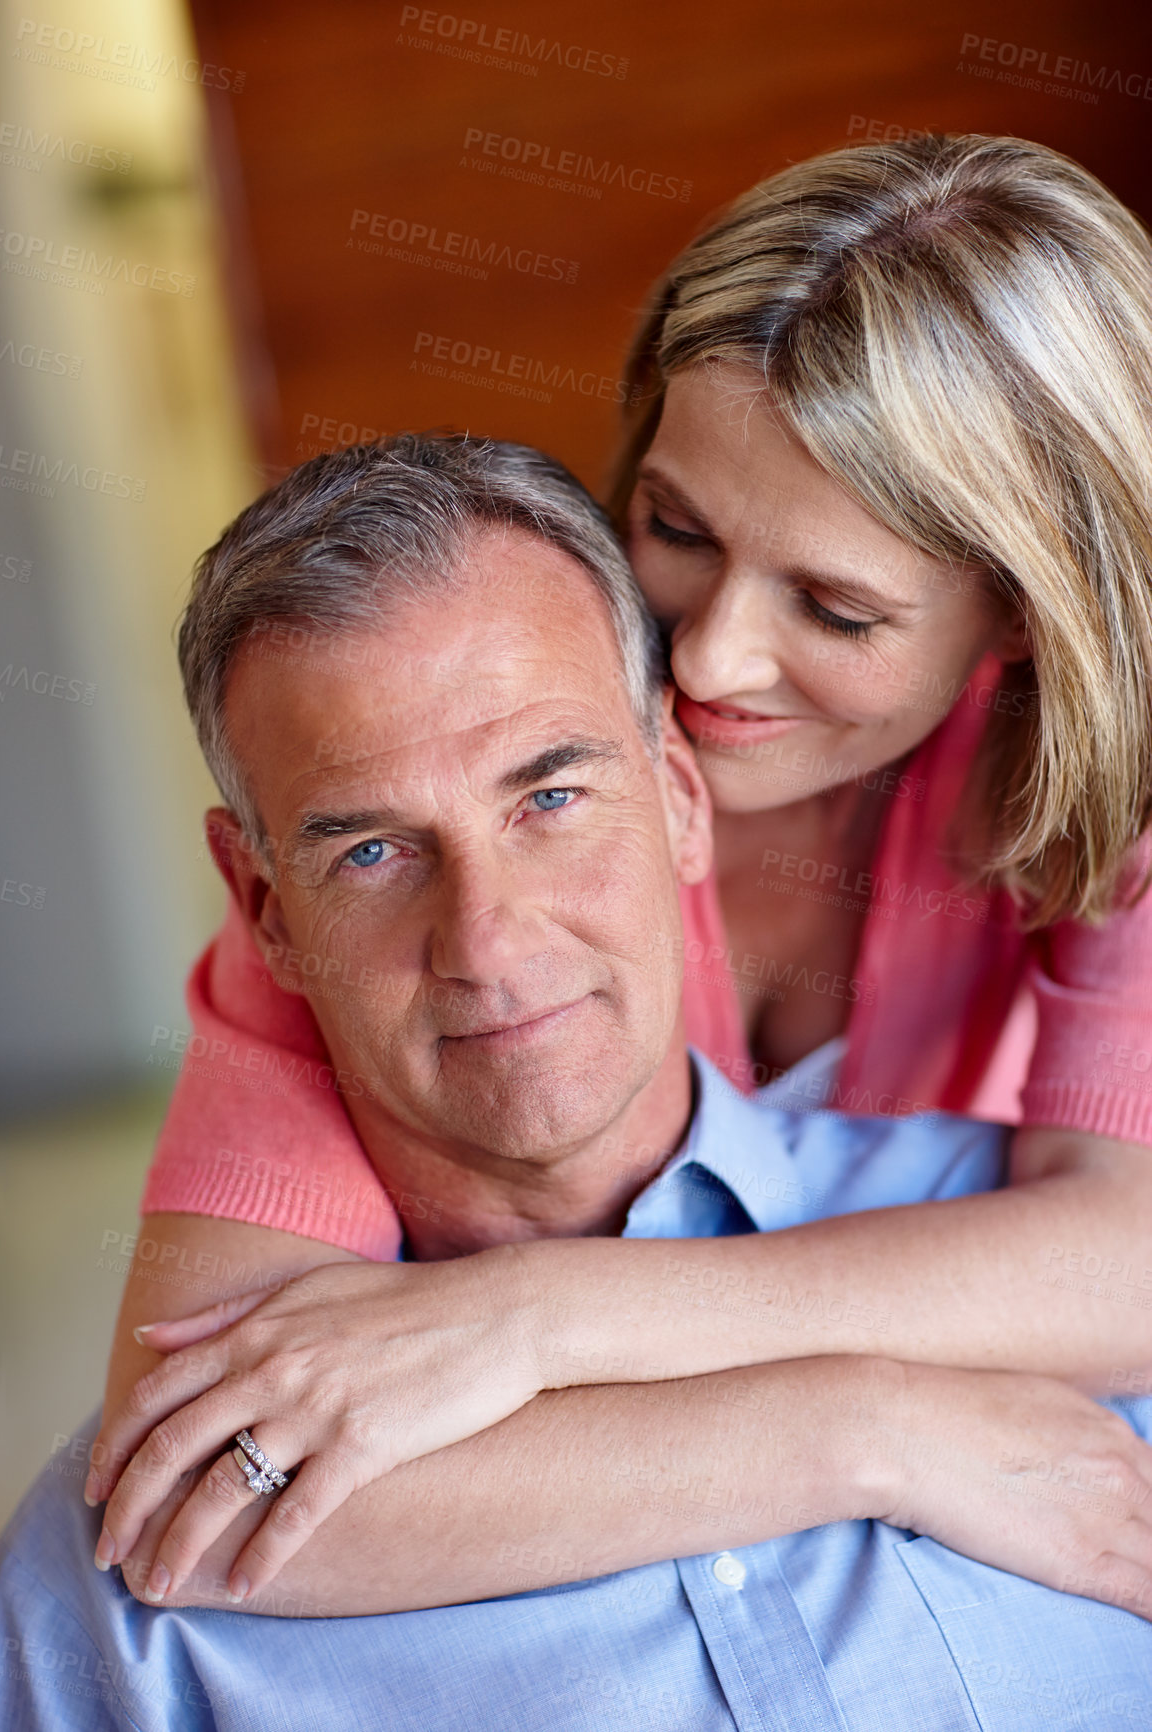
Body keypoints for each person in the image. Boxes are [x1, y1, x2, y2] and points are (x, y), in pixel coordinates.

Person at [1, 435, 1151, 1732]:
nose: (488, 941)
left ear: (676, 792)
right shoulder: (136, 1569)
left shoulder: (1046, 1326)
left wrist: (548, 1317)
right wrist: (859, 1430)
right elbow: (205, 1502)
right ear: (265, 907)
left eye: (548, 796)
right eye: (373, 850)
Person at [123, 136, 1152, 1506]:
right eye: (674, 528)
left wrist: (543, 1317)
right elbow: (203, 1463)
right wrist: (858, 1434)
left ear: (1024, 616)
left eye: (834, 610)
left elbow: (1123, 1262)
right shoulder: (426, 808)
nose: (710, 660)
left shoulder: (1117, 787)